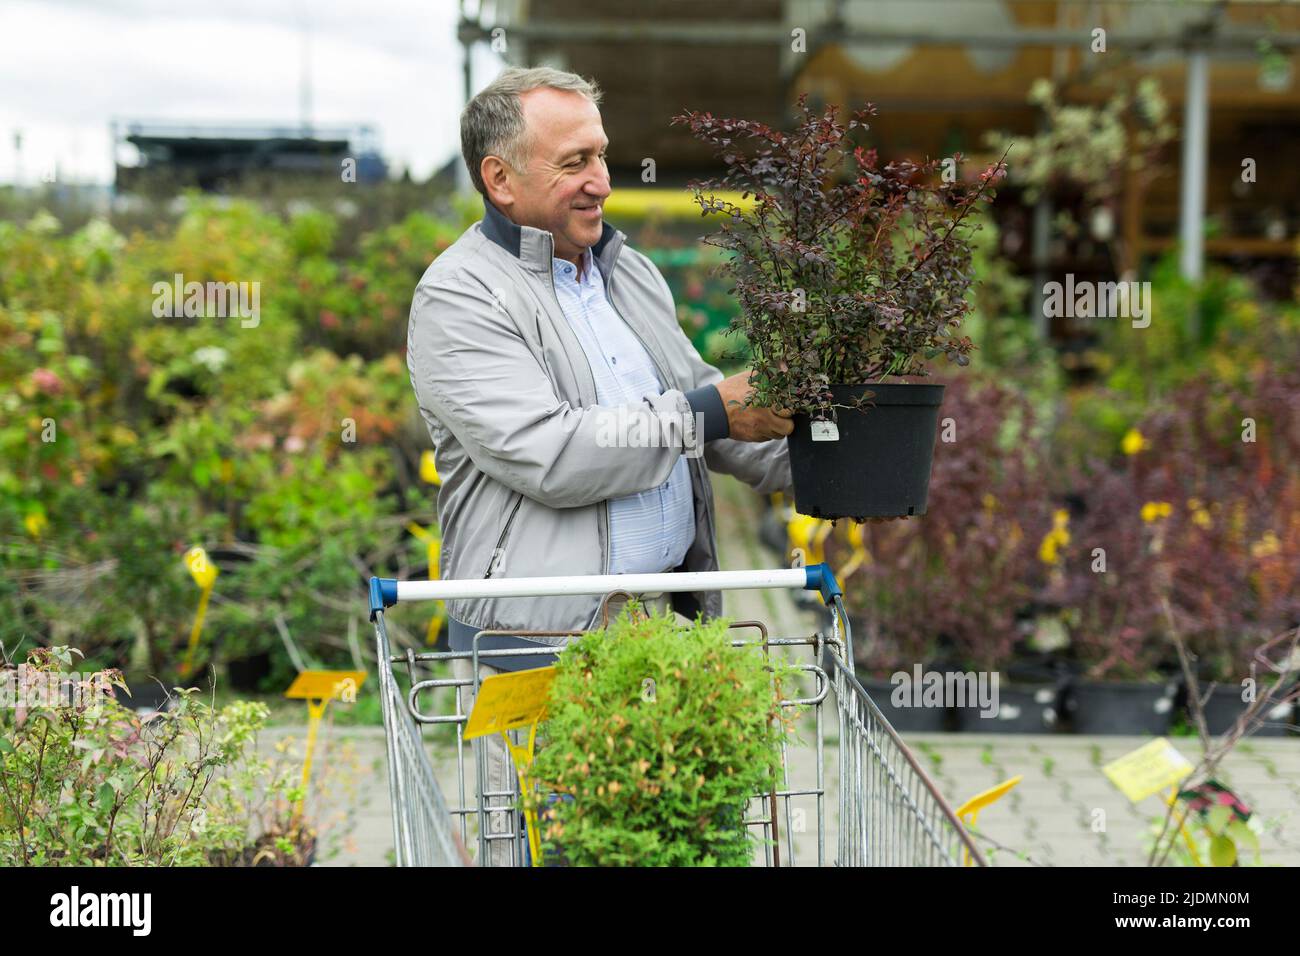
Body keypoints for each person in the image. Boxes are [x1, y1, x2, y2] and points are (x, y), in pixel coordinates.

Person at [406, 66, 793, 864]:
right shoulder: (461, 297)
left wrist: (826, 446)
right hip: (541, 637)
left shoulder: (627, 273)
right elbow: (553, 453)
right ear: (500, 179)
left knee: (662, 838)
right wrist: (713, 408)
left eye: (603, 157)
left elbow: (708, 422)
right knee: (547, 843)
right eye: (575, 161)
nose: (603, 183)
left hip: (656, 629)